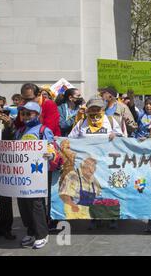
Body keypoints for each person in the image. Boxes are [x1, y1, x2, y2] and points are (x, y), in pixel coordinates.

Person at [68, 96, 123, 230]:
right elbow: (70, 139)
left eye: (97, 107)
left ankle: (112, 218)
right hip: (88, 165)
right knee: (91, 191)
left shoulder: (110, 120)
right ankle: (94, 218)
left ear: (102, 108)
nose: (94, 110)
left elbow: (122, 138)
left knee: (109, 190)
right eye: (92, 107)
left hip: (107, 163)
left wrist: (116, 136)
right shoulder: (82, 123)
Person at [16, 102, 58, 249]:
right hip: (22, 173)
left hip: (38, 172)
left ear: (37, 114)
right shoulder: (20, 130)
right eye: (23, 113)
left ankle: (42, 234)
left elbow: (52, 146)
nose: (26, 116)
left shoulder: (43, 130)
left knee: (36, 203)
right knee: (22, 202)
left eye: (29, 113)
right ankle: (31, 231)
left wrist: (51, 154)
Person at [0, 95, 15, 240]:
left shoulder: (5, 122)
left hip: (2, 165)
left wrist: (9, 126)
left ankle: (6, 228)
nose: (0, 109)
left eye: (1, 106)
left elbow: (12, 139)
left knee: (5, 198)